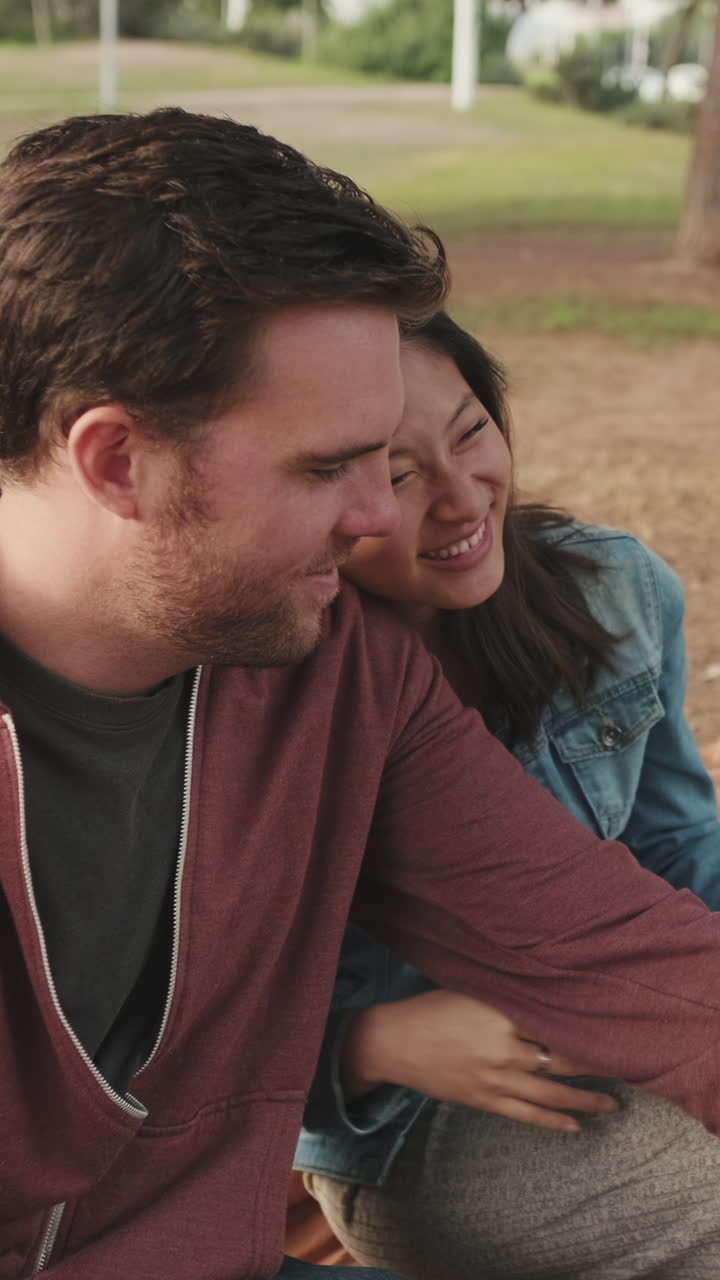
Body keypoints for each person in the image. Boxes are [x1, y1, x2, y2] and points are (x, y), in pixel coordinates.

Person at [5, 110, 720, 1280]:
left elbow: (616, 951)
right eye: (333, 466)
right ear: (116, 460)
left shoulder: (342, 674)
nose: (389, 517)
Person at [295, 312, 720, 1279]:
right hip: (409, 1124)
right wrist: (368, 1044)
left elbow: (677, 847)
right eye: (400, 476)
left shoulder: (611, 586)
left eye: (473, 431)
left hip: (633, 1018)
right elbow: (188, 1025)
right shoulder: (286, 684)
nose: (459, 500)